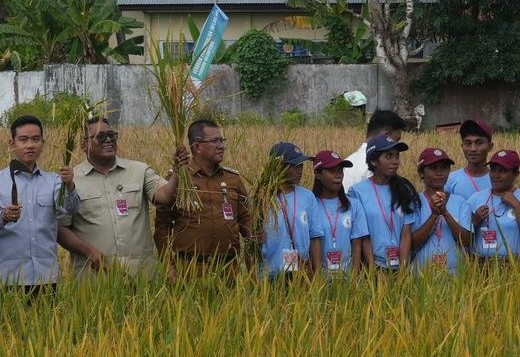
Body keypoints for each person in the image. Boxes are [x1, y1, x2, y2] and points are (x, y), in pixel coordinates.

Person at [57, 117, 186, 278]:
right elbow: (60, 228)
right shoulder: (70, 179)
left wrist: (178, 170)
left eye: (112, 135)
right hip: (95, 278)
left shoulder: (139, 171)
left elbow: (165, 196)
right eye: (101, 136)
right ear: (84, 144)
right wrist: (87, 250)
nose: (108, 140)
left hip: (141, 276)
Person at [0, 115, 79, 291]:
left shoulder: (54, 181)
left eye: (35, 139)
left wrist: (69, 185)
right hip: (8, 280)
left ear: (43, 143)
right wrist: (3, 216)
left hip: (47, 278)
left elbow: (70, 209)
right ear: (12, 144)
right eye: (23, 140)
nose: (30, 145)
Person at [154, 119, 253, 270]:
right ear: (197, 147)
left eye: (221, 141)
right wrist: (168, 266)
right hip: (190, 268)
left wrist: (254, 242)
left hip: (228, 269)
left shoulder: (232, 179)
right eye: (215, 141)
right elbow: (162, 227)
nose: (221, 146)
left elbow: (245, 219)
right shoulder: (179, 179)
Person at [349, 134, 420, 271]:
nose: (395, 161)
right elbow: (362, 235)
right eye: (388, 156)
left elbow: (406, 232)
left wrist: (403, 270)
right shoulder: (357, 192)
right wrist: (372, 271)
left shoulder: (405, 189)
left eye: (397, 156)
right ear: (373, 161)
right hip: (371, 268)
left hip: (400, 267)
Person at [258, 142, 324, 278]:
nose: (300, 171)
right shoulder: (262, 198)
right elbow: (251, 238)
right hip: (269, 275)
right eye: (294, 166)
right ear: (278, 166)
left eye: (301, 166)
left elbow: (315, 236)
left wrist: (317, 273)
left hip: (300, 273)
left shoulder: (307, 197)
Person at [410, 147, 473, 274]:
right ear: (421, 173)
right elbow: (411, 243)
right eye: (433, 168)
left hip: (456, 275)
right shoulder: (413, 203)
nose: (439, 173)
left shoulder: (461, 203)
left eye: (444, 168)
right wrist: (434, 215)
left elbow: (466, 241)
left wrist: (445, 213)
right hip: (421, 275)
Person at [469, 149, 520, 262]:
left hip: (517, 265)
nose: (496, 175)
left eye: (502, 171)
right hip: (481, 265)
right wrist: (475, 220)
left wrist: (516, 205)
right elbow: (462, 236)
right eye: (493, 170)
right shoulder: (476, 198)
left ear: (515, 175)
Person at [311, 150, 368, 275]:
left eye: (340, 170)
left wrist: (354, 278)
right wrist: (317, 279)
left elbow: (356, 243)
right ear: (317, 173)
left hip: (347, 279)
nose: (338, 175)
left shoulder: (354, 205)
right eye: (332, 171)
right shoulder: (311, 205)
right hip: (320, 280)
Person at [342, 110, 406, 189]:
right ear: (385, 136)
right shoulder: (376, 169)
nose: (396, 145)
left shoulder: (350, 161)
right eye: (396, 140)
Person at [445, 119, 494, 200]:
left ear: (490, 147)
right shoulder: (449, 180)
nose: (473, 149)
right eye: (468, 143)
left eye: (479, 143)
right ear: (462, 147)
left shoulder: (498, 180)